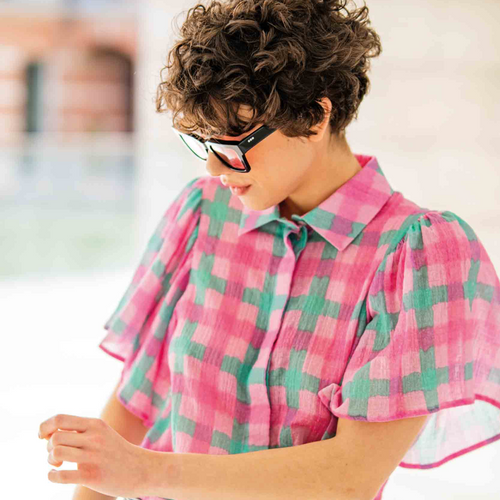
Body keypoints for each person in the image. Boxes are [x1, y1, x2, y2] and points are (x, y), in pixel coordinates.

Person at [96, 1, 500, 499]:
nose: (215, 168)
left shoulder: (418, 257)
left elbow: (350, 475)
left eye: (234, 142)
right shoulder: (204, 212)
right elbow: (136, 400)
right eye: (205, 142)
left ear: (314, 117)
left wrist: (147, 473)